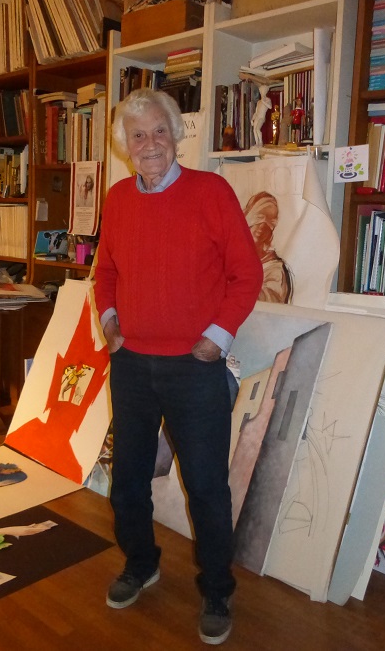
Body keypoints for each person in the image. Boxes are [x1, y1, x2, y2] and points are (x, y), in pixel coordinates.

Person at [93, 88, 262, 646]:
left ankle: (217, 590)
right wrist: (110, 323)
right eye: (138, 135)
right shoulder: (118, 199)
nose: (149, 144)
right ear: (125, 145)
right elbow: (105, 272)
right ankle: (140, 564)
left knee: (207, 488)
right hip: (132, 366)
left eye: (159, 131)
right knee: (128, 481)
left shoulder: (211, 192)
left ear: (175, 135)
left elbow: (246, 274)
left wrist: (218, 336)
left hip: (195, 369)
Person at [243, 192, 293, 303]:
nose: (262, 227)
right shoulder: (235, 260)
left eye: (268, 223)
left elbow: (269, 300)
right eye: (259, 218)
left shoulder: (274, 268)